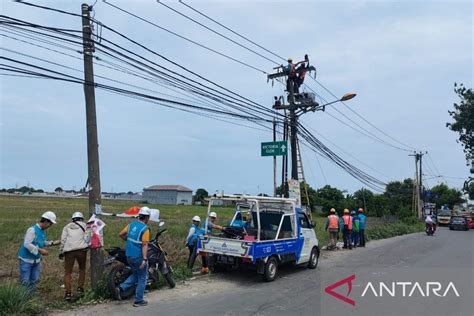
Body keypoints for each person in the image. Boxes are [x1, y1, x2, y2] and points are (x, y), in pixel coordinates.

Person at [115, 207, 151, 307]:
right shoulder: (145, 229)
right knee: (143, 277)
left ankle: (121, 287)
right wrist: (144, 259)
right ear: (147, 217)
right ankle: (138, 300)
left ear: (139, 216)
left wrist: (127, 240)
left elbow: (121, 234)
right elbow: (144, 245)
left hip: (128, 255)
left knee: (136, 274)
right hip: (138, 257)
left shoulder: (131, 225)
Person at [18, 211, 60, 292]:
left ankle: (31, 297)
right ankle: (23, 299)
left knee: (34, 279)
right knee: (25, 281)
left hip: (36, 260)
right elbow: (27, 244)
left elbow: (41, 242)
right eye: (50, 224)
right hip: (26, 259)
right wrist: (40, 250)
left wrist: (52, 243)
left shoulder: (43, 231)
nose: (50, 226)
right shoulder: (32, 230)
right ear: (45, 221)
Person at [59, 211, 88, 301]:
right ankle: (80, 288)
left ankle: (68, 293)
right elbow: (88, 238)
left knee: (68, 272)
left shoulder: (67, 227)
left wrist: (60, 251)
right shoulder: (86, 226)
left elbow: (63, 240)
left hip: (69, 251)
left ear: (73, 219)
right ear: (82, 219)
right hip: (81, 251)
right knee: (82, 269)